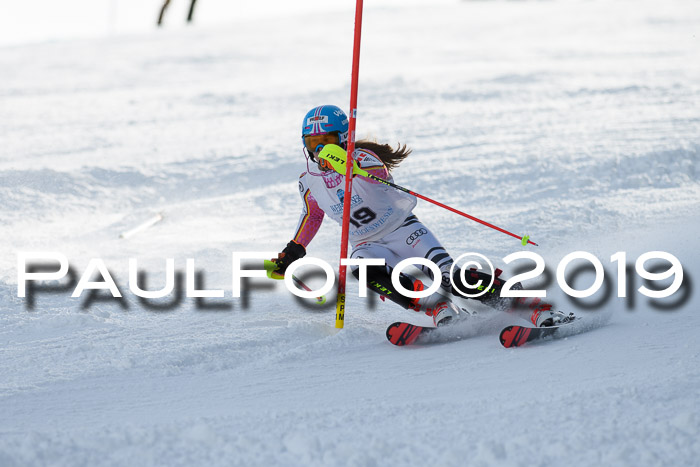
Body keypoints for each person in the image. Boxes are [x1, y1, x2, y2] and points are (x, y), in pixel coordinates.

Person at [271, 105, 574, 329]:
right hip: (367, 243)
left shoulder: (362, 159)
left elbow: (380, 174)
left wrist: (349, 166)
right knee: (364, 270)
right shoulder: (308, 180)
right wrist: (294, 251)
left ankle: (530, 307)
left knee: (449, 277)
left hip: (403, 230)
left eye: (328, 141)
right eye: (313, 143)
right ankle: (437, 308)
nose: (320, 149)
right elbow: (312, 216)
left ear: (345, 138)